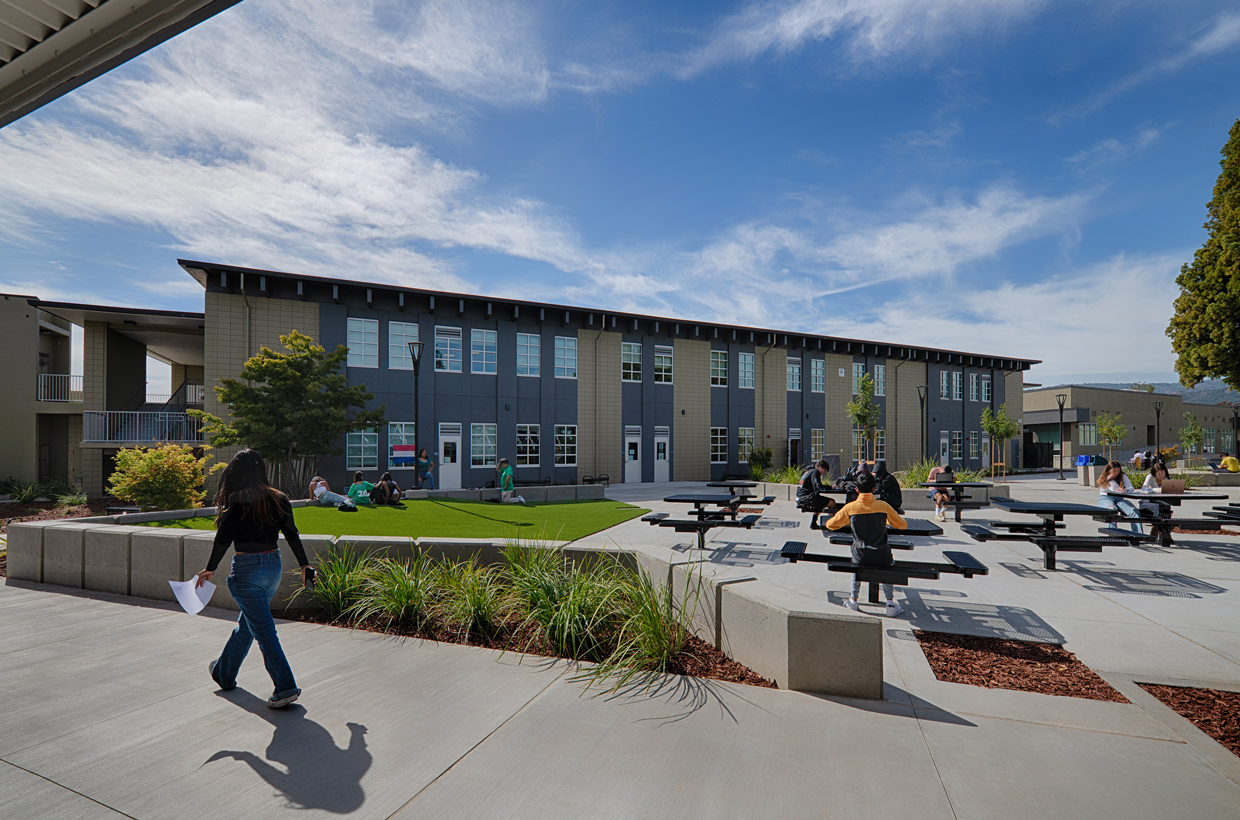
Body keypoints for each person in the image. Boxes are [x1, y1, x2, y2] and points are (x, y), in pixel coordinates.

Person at [194, 449, 313, 709]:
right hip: (273, 570)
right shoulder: (279, 499)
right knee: (248, 626)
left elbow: (222, 541)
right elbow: (292, 534)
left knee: (264, 630)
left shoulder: (237, 505)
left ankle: (285, 687)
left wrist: (210, 569)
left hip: (247, 572)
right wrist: (305, 564)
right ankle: (224, 673)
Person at [825, 472, 909, 617]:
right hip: (882, 555)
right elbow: (903, 525)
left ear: (856, 490)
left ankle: (853, 600)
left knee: (855, 561)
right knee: (888, 563)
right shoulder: (883, 506)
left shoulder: (850, 508)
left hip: (861, 555)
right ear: (874, 489)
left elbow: (830, 525)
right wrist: (887, 520)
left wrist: (847, 520)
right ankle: (889, 603)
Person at [1097, 461, 1156, 533]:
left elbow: (1131, 488)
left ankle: (1138, 534)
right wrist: (1111, 480)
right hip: (1106, 498)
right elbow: (1108, 489)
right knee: (1112, 511)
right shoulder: (1105, 477)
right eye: (1114, 471)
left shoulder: (1122, 476)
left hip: (1119, 498)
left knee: (1134, 513)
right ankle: (1113, 534)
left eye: (1118, 470)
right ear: (1109, 470)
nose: (1116, 473)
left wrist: (1125, 490)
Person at [796, 458, 838, 529]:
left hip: (802, 497)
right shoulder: (815, 472)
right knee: (832, 502)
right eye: (824, 470)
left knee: (820, 502)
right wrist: (831, 487)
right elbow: (818, 486)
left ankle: (813, 523)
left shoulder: (809, 471)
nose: (824, 472)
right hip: (806, 498)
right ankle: (832, 525)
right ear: (820, 467)